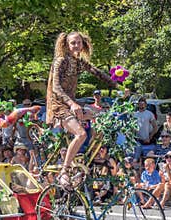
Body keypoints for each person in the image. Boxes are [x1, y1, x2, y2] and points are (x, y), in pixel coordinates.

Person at [45, 31, 116, 189]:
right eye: (73, 43)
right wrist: (71, 104)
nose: (76, 45)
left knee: (100, 120)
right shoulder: (60, 61)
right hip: (60, 105)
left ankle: (82, 161)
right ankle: (64, 170)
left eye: (79, 42)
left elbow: (97, 72)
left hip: (73, 103)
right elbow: (56, 87)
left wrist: (118, 85)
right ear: (66, 45)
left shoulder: (78, 62)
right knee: (81, 133)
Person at [133, 97, 158, 162]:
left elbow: (155, 128)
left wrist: (150, 137)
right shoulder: (135, 114)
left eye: (143, 103)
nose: (141, 105)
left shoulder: (149, 114)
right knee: (137, 159)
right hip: (138, 141)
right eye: (140, 103)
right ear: (138, 104)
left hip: (148, 141)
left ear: (146, 104)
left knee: (147, 160)